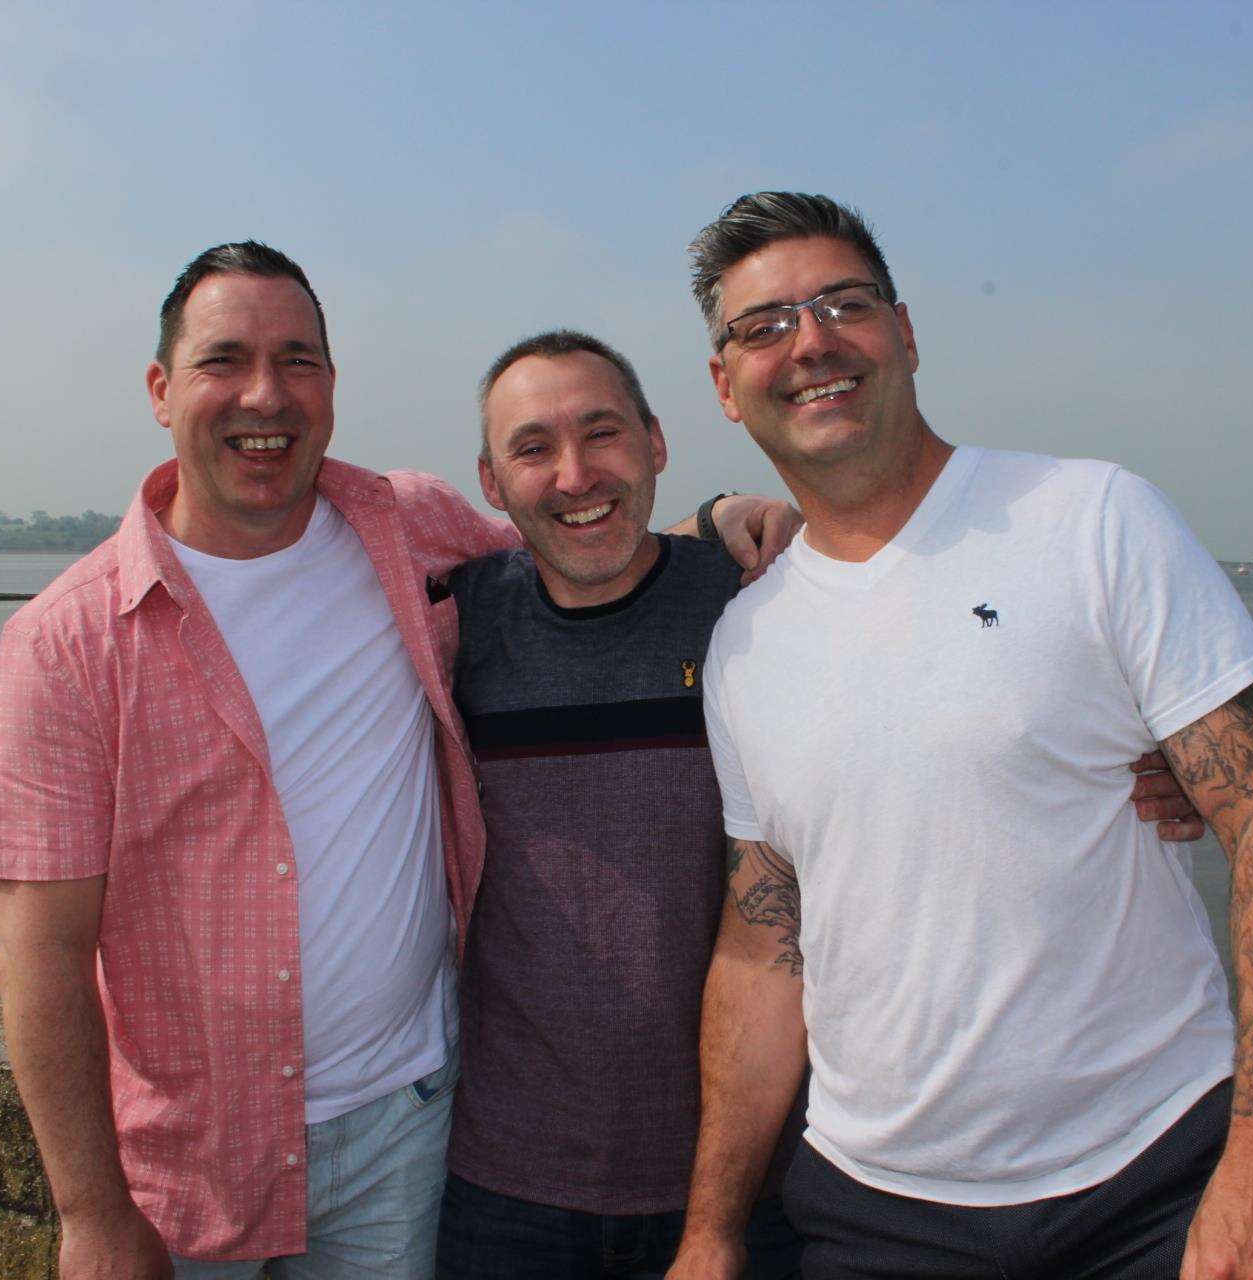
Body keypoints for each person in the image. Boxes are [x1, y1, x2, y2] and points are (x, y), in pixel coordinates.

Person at [0, 243, 782, 1280]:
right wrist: (88, 1207)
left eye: (299, 360)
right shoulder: (63, 642)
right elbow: (39, 952)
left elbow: (578, 532)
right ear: (160, 387)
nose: (266, 394)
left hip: (405, 1126)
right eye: (226, 359)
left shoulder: (402, 527)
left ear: (331, 386)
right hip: (189, 1163)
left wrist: (718, 520)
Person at [665, 194, 1253, 1280]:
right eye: (764, 324)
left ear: (904, 331)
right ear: (724, 385)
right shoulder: (744, 644)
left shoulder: (1093, 519)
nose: (811, 342)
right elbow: (763, 945)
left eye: (843, 303)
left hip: (1157, 1179)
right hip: (874, 1211)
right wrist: (711, 1229)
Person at [431, 329, 1211, 1279]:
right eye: (532, 448)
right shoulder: (457, 626)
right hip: (508, 1184)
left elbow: (964, 697)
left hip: (753, 1179)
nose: (574, 474)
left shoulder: (757, 605)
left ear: (657, 443)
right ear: (488, 478)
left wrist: (1144, 750)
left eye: (602, 434)